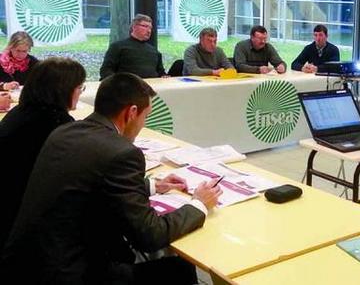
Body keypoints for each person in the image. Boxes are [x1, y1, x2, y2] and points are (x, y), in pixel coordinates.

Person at [0, 73, 223, 284]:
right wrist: (198, 204)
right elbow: (150, 235)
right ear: (131, 112)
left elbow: (91, 183)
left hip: (27, 262)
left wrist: (154, 185)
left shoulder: (66, 131)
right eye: (146, 116)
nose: (143, 124)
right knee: (179, 269)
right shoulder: (122, 153)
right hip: (71, 273)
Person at [0, 57, 86, 248]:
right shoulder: (55, 123)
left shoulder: (21, 112)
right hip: (26, 225)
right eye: (80, 87)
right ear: (63, 90)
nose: (80, 93)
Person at [100, 14, 166, 80]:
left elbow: (161, 73)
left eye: (150, 28)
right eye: (145, 26)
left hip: (152, 87)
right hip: (126, 87)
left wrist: (164, 76)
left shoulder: (154, 51)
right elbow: (106, 70)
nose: (149, 31)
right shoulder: (118, 47)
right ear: (134, 27)